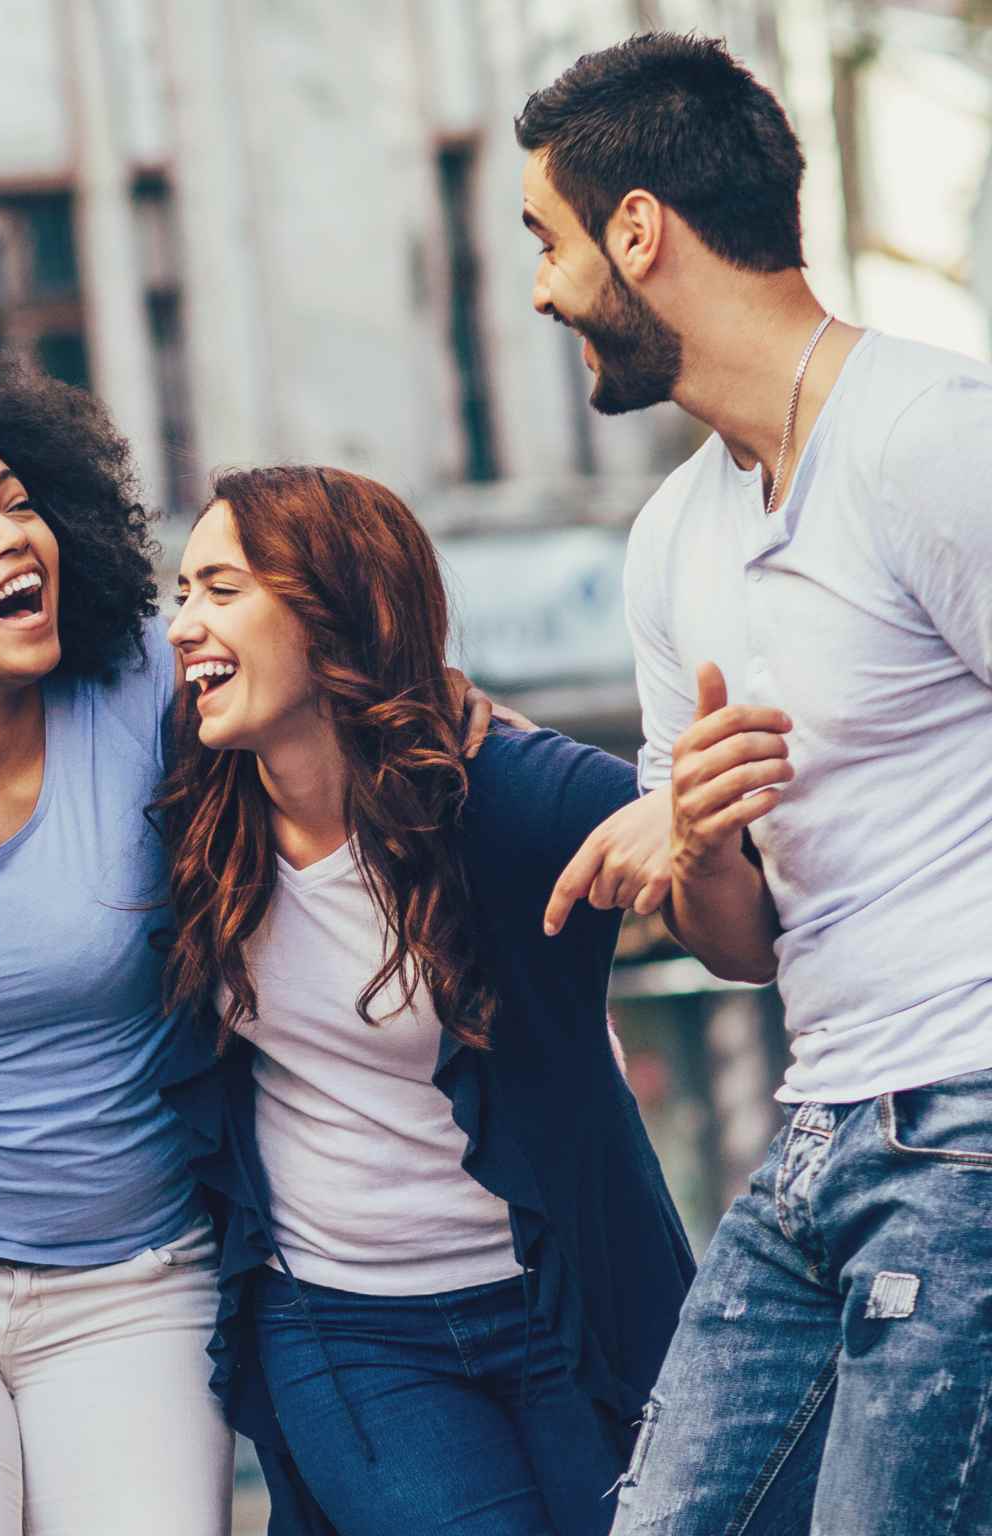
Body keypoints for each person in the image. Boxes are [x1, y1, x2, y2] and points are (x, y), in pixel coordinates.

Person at [0, 342, 613, 1536]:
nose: (12, 537)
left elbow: (355, 695)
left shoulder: (152, 688)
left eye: (20, 503)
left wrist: (524, 752)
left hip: (138, 1287)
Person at [517, 33, 992, 1534]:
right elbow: (738, 945)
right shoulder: (675, 537)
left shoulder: (928, 439)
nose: (542, 287)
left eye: (549, 238)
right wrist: (705, 840)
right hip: (815, 1138)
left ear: (636, 230)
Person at [152, 466, 694, 1536]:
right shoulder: (186, 812)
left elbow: (724, 866)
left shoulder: (505, 796)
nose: (182, 627)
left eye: (218, 588)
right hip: (345, 1328)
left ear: (330, 608)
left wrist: (675, 804)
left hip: (564, 1305)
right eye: (178, 593)